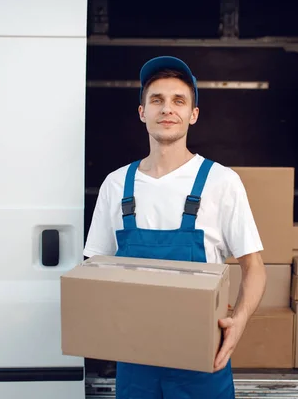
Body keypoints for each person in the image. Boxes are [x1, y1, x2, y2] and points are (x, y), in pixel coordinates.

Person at [83, 55, 267, 399]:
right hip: (135, 359)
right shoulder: (116, 184)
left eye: (178, 101)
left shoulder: (221, 181)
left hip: (203, 359)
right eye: (157, 100)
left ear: (193, 115)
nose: (167, 109)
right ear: (142, 113)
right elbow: (95, 268)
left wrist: (239, 321)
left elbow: (254, 266)